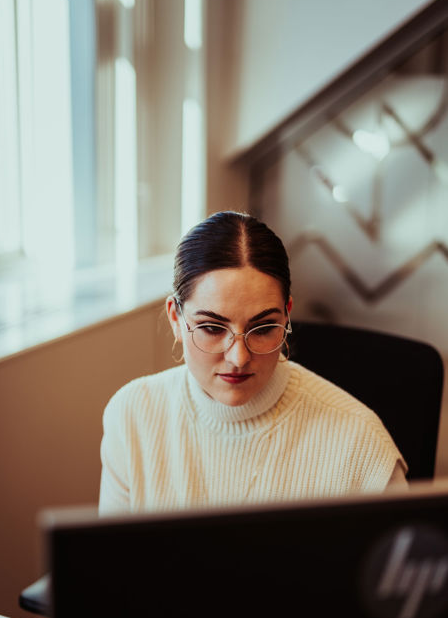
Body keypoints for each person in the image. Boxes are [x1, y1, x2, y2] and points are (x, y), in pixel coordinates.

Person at [99, 211, 406, 514]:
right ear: (176, 318)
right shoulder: (132, 415)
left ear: (286, 315)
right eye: (212, 328)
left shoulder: (360, 443)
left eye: (263, 328)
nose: (238, 358)